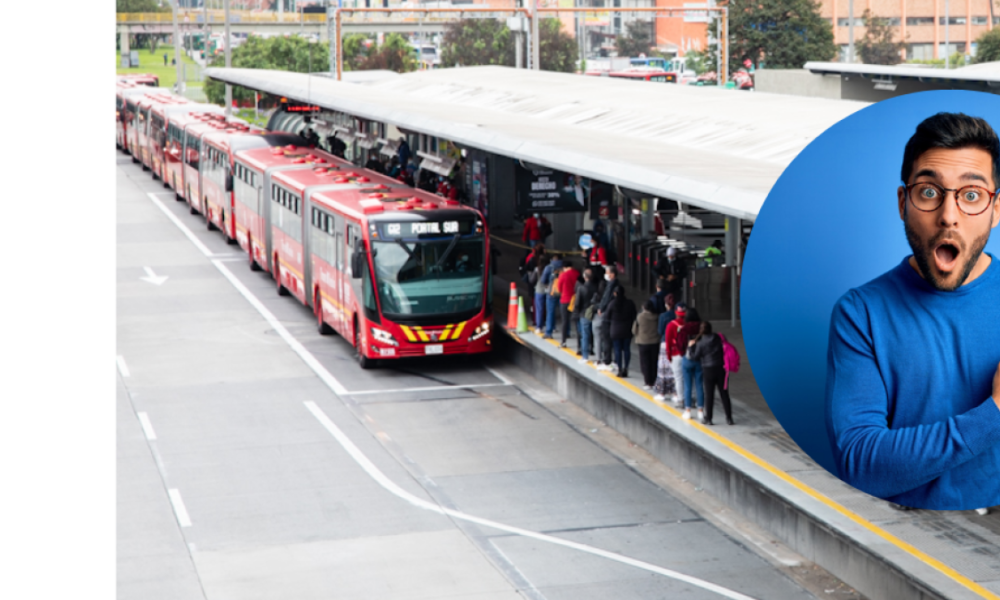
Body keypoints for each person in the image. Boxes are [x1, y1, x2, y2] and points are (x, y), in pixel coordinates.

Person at [826, 112, 1000, 510]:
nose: (949, 215)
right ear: (904, 203)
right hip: (911, 540)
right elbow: (860, 463)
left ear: (996, 208)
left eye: (971, 195)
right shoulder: (861, 314)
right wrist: (994, 413)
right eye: (928, 192)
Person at [687, 321, 733, 425]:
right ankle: (729, 418)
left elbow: (695, 357)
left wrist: (691, 347)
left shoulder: (701, 343)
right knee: (724, 393)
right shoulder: (719, 338)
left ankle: (709, 418)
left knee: (709, 394)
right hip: (721, 368)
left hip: (708, 370)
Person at [678, 307, 704, 420]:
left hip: (687, 359)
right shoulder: (702, 328)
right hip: (700, 359)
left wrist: (683, 353)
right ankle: (700, 410)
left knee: (687, 385)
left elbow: (679, 345)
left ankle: (688, 410)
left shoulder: (683, 329)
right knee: (699, 385)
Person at [607, 286, 637, 378]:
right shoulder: (630, 303)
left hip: (615, 330)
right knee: (627, 349)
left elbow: (607, 316)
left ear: (615, 293)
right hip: (627, 330)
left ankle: (619, 369)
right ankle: (626, 368)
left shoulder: (612, 303)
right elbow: (634, 315)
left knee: (617, 350)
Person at [595, 265, 621, 371]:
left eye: (607, 272)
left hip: (607, 315)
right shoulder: (616, 285)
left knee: (606, 338)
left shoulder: (611, 285)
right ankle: (614, 361)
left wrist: (601, 308)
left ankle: (607, 361)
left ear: (612, 274)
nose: (606, 275)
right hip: (613, 315)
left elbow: (606, 298)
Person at [575, 268, 600, 364]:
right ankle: (595, 353)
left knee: (585, 335)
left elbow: (577, 303)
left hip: (584, 313)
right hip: (594, 312)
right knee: (596, 335)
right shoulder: (595, 287)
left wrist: (577, 311)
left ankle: (585, 356)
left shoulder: (581, 288)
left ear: (584, 277)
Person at [635, 300, 661, 389]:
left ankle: (647, 382)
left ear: (644, 307)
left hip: (643, 342)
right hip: (655, 342)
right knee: (654, 362)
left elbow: (634, 330)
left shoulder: (640, 317)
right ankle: (654, 381)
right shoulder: (657, 317)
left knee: (645, 363)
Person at [556, 260, 581, 348]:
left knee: (565, 321)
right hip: (575, 300)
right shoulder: (577, 273)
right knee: (577, 322)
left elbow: (559, 288)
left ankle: (563, 342)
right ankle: (580, 345)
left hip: (565, 300)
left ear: (564, 267)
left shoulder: (563, 275)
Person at [540, 253, 564, 338]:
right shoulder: (564, 268)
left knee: (550, 312)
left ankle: (549, 332)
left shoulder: (548, 267)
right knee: (564, 314)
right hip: (562, 293)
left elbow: (543, 280)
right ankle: (566, 332)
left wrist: (548, 285)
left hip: (551, 292)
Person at [531, 256, 551, 332]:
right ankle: (551, 327)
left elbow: (532, 280)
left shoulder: (537, 269)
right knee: (549, 310)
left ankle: (539, 327)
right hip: (549, 291)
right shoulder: (550, 269)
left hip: (539, 290)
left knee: (539, 309)